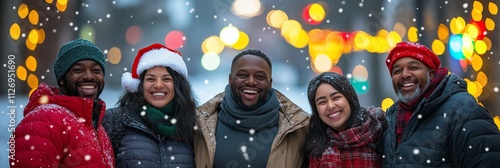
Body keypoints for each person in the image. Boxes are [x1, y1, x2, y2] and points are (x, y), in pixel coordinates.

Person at [381, 41, 500, 167]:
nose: (404, 75)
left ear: (431, 74)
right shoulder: (390, 124)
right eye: (397, 71)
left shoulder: (463, 111)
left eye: (413, 67)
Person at [194, 49, 310, 168]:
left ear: (270, 83)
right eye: (243, 75)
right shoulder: (199, 125)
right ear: (230, 79)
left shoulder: (299, 128)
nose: (251, 81)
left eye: (260, 77)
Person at [9, 38, 114, 167]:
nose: (89, 76)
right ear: (62, 79)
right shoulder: (44, 119)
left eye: (96, 71)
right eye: (78, 70)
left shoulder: (97, 127)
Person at [102, 43, 198, 167]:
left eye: (166, 79)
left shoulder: (192, 126)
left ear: (178, 86)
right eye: (151, 79)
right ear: (139, 85)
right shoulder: (114, 121)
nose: (158, 85)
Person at [303, 72, 386, 168]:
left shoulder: (380, 130)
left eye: (336, 97)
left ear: (349, 98)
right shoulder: (313, 145)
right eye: (322, 102)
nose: (330, 106)